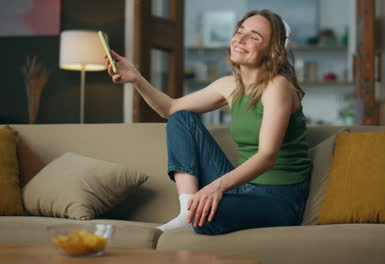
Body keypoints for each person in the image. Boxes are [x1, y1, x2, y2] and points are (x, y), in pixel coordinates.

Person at [105, 9, 311, 236]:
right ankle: (186, 212)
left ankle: (194, 214)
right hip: (245, 188)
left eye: (254, 37)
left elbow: (266, 157)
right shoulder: (230, 85)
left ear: (273, 51)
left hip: (279, 198)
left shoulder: (277, 86)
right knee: (180, 118)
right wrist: (136, 78)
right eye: (240, 31)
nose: (240, 39)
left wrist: (215, 187)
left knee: (205, 218)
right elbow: (170, 108)